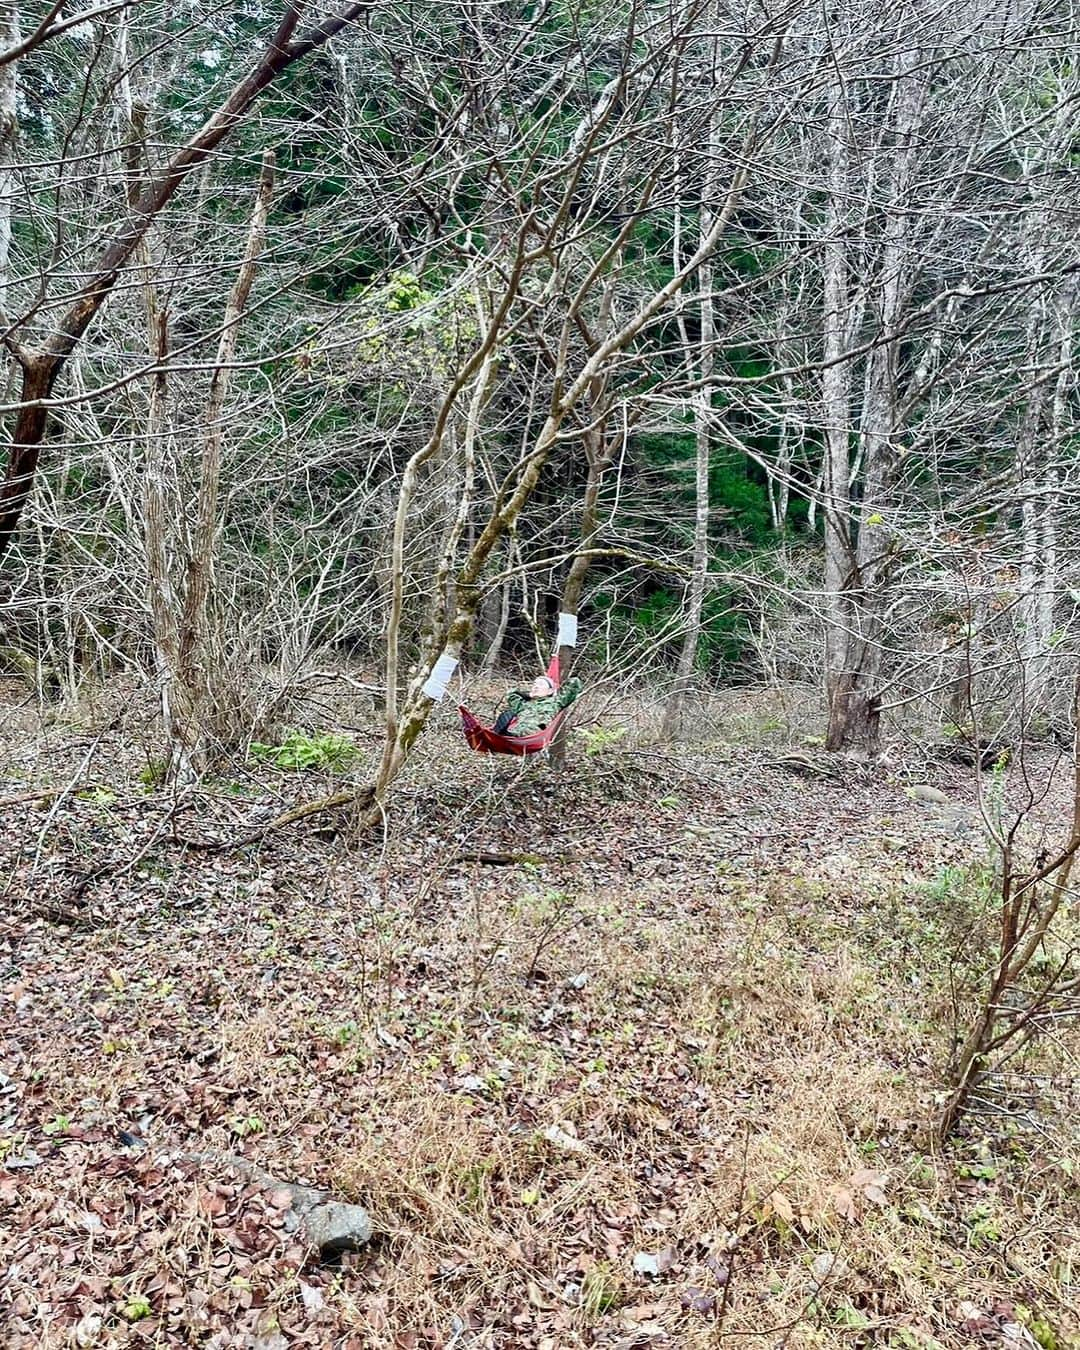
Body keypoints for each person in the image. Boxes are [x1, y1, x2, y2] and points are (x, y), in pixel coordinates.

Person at [493, 672, 583, 736]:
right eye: (534, 684)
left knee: (527, 729)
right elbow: (510, 694)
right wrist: (527, 694)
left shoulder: (556, 702)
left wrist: (556, 691)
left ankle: (507, 735)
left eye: (540, 684)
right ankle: (499, 735)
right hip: (515, 731)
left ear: (550, 691)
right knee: (508, 715)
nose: (535, 686)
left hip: (534, 733)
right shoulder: (523, 704)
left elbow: (575, 683)